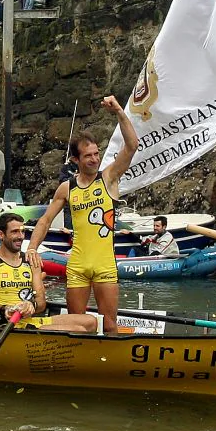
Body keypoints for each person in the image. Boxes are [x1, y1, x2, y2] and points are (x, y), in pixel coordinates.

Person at [27, 96, 139, 333]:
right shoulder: (67, 187)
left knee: (109, 324)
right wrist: (32, 248)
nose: (95, 159)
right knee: (76, 324)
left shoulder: (108, 177)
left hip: (105, 264)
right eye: (88, 156)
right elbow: (45, 220)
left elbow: (132, 146)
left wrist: (119, 111)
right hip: (77, 264)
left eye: (97, 154)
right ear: (75, 160)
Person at [0, 213, 98, 332]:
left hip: (30, 322)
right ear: (1, 235)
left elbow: (41, 303)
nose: (20, 236)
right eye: (15, 232)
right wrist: (4, 308)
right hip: (8, 325)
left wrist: (31, 305)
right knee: (79, 330)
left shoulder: (31, 261)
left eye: (22, 232)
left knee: (91, 321)